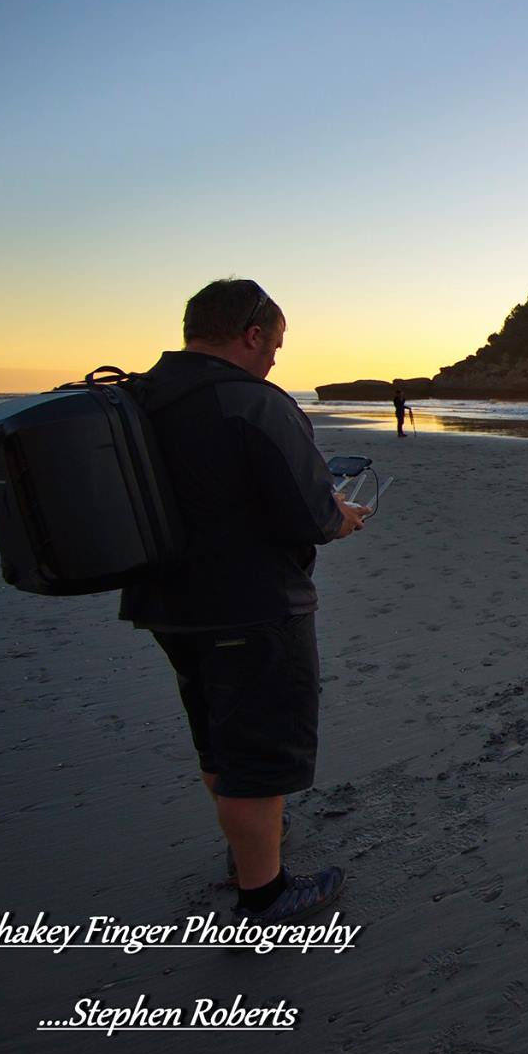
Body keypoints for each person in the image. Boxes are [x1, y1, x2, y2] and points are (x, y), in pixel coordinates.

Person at [119, 279, 369, 921]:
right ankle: (266, 893)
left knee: (216, 737)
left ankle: (248, 850)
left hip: (166, 602)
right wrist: (339, 516)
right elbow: (308, 514)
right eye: (276, 343)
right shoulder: (253, 403)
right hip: (250, 604)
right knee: (259, 752)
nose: (276, 359)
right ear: (251, 334)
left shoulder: (139, 396)